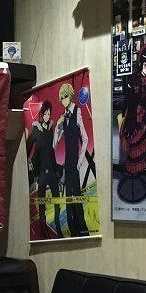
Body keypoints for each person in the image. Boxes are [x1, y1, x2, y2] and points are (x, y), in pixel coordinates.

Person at [53, 83, 90, 237]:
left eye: (65, 97)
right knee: (69, 197)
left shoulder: (77, 111)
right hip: (67, 163)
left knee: (76, 196)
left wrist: (79, 163)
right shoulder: (64, 115)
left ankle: (82, 230)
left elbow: (85, 139)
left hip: (74, 162)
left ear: (70, 96)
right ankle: (73, 230)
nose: (63, 100)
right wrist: (57, 126)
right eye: (61, 98)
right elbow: (54, 144)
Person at [119, 40, 146, 176]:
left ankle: (143, 165)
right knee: (137, 143)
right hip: (134, 119)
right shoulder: (135, 79)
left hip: (142, 117)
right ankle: (136, 169)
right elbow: (132, 100)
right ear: (141, 64)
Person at [26, 100, 63, 239]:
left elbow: (51, 151)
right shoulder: (36, 129)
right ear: (41, 114)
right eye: (45, 113)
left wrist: (56, 169)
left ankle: (58, 227)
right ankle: (43, 231)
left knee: (57, 202)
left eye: (49, 113)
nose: (47, 116)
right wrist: (30, 163)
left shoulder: (50, 129)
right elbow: (28, 148)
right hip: (41, 173)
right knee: (41, 205)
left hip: (52, 172)